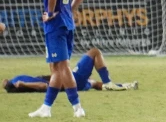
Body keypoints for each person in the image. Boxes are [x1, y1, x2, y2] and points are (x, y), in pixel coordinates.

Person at [28, 0, 86, 119]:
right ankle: (46, 107)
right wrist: (69, 10)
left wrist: (51, 12)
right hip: (66, 23)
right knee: (55, 66)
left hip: (56, 24)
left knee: (62, 66)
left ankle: (77, 107)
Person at [3, 47, 138, 93]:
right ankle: (109, 83)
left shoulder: (13, 83)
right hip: (67, 80)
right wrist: (22, 84)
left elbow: (5, 84)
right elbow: (44, 86)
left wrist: (9, 85)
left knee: (94, 84)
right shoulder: (20, 82)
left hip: (70, 83)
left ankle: (125, 85)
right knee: (94, 52)